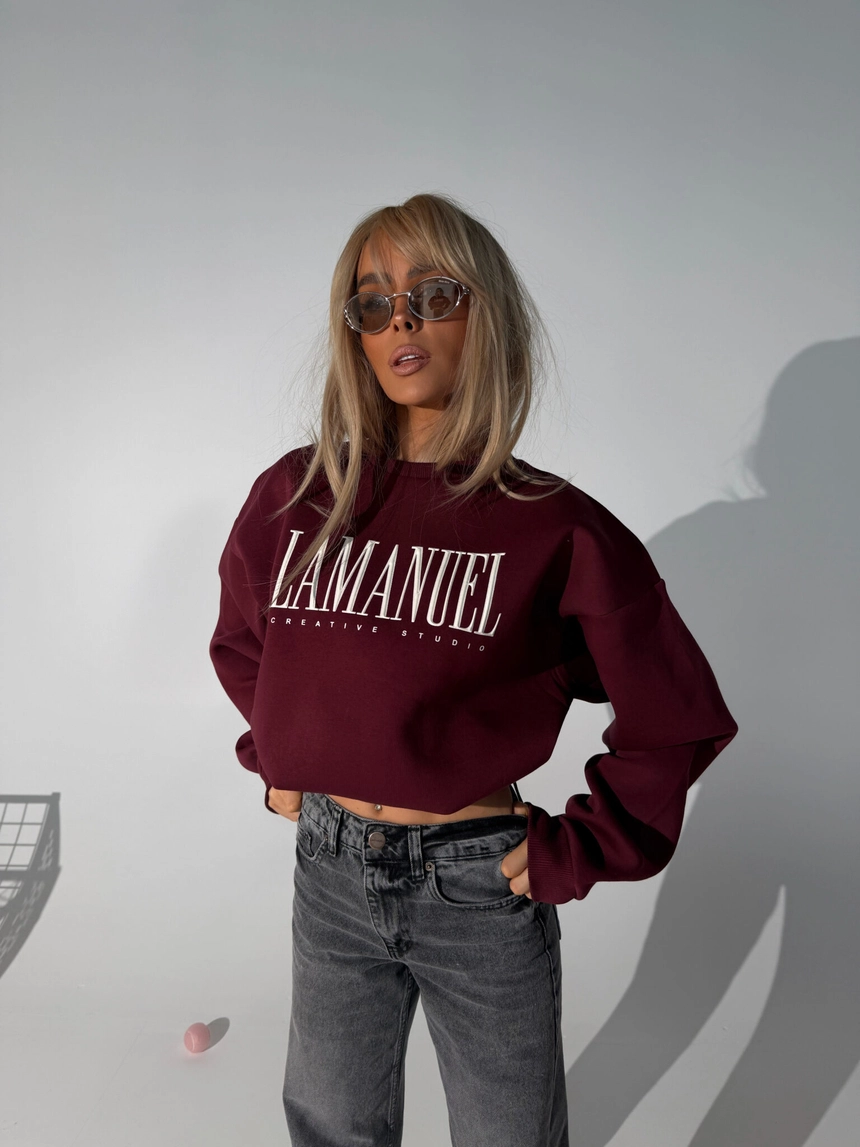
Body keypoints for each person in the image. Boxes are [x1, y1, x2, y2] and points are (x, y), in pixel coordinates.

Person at [209, 192, 738, 1147]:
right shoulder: (298, 493)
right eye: (373, 302)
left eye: (433, 294)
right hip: (329, 874)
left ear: (484, 312)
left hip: (479, 887)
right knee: (329, 1121)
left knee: (508, 1134)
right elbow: (249, 639)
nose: (400, 320)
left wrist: (585, 845)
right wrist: (280, 754)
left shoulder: (553, 525)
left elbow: (676, 714)